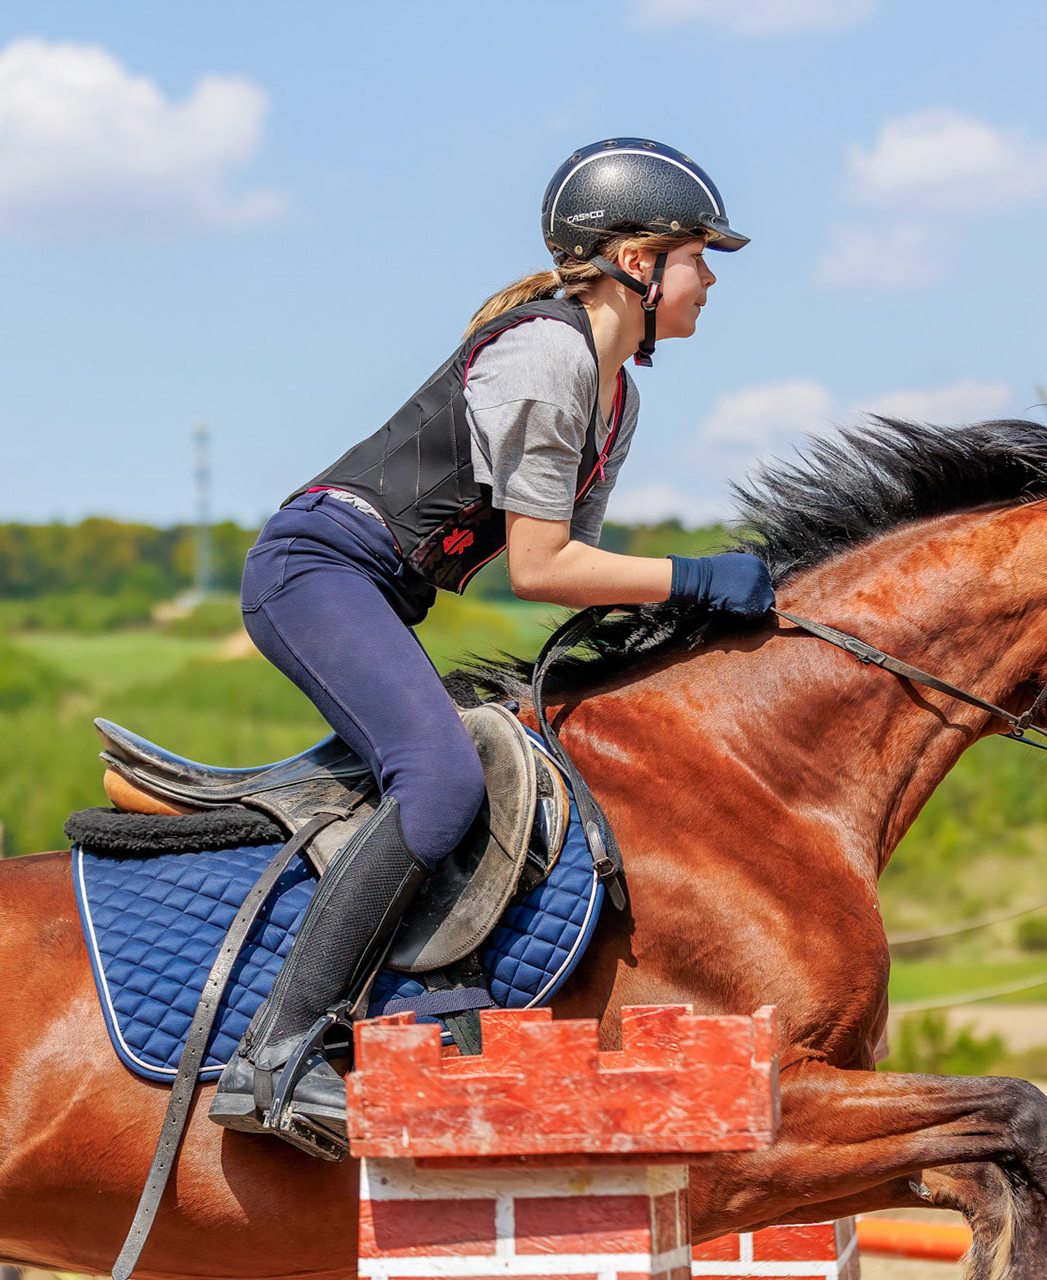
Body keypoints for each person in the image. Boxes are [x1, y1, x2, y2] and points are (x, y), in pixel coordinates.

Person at [207, 138, 777, 1155]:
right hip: (314, 569)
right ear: (639, 261)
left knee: (493, 762)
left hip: (377, 589)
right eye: (701, 254)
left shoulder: (618, 394)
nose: (713, 278)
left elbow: (582, 565)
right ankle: (275, 1054)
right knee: (439, 777)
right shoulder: (549, 352)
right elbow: (543, 566)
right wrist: (693, 574)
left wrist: (678, 619)